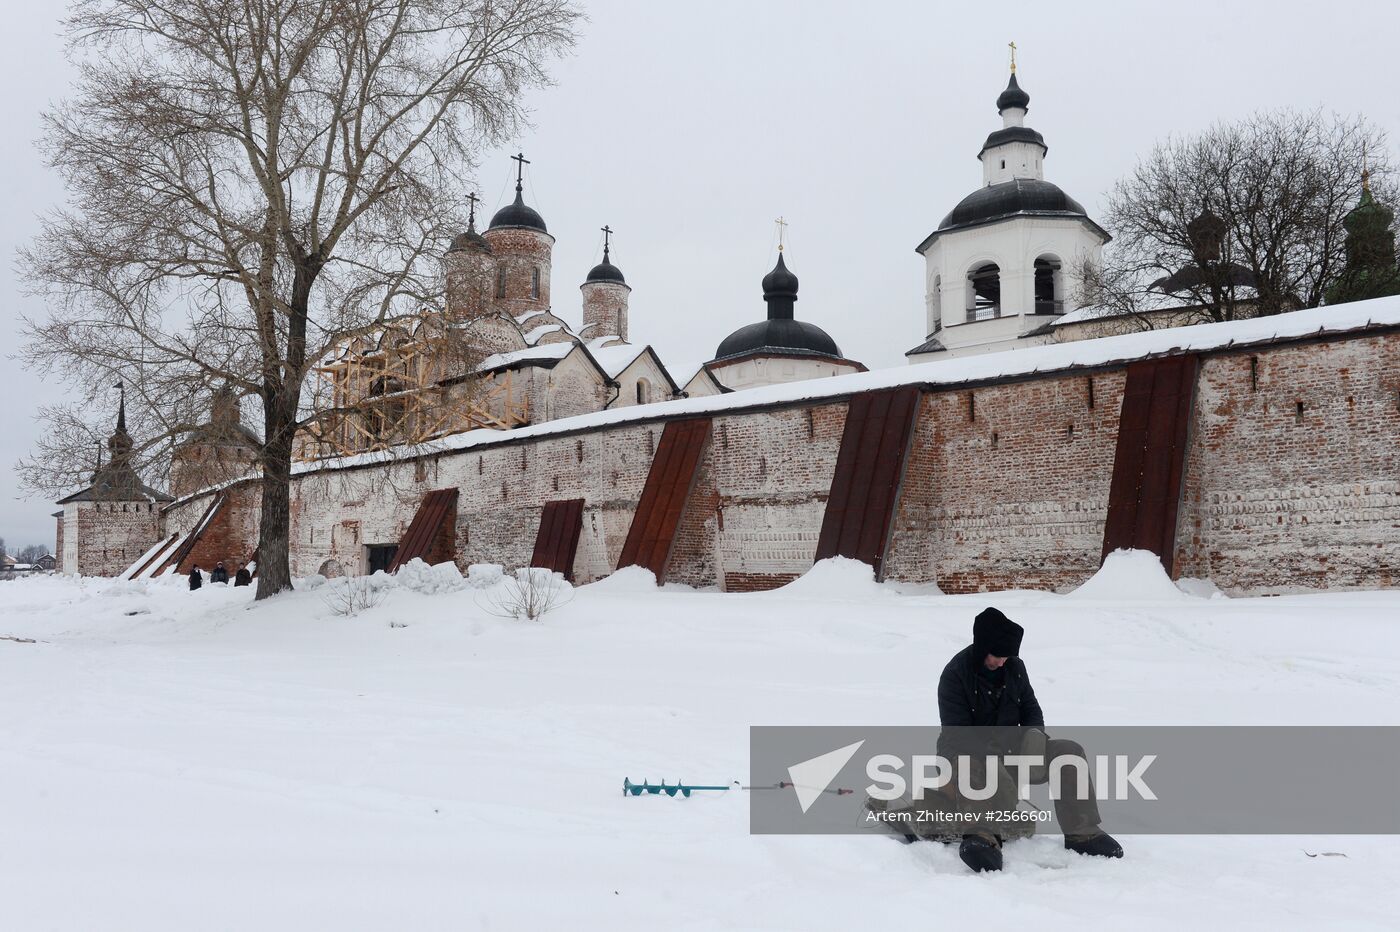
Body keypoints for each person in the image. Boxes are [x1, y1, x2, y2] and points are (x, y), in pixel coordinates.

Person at [938, 607, 1124, 872]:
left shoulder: (1014, 667)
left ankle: (1082, 832)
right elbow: (958, 734)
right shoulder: (955, 674)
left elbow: (1030, 710)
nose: (1002, 662)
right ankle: (982, 837)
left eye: (1007, 656)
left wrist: (1034, 738)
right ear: (981, 648)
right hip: (963, 755)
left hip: (1010, 747)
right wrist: (997, 767)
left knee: (1068, 752)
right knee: (972, 766)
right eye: (997, 655)